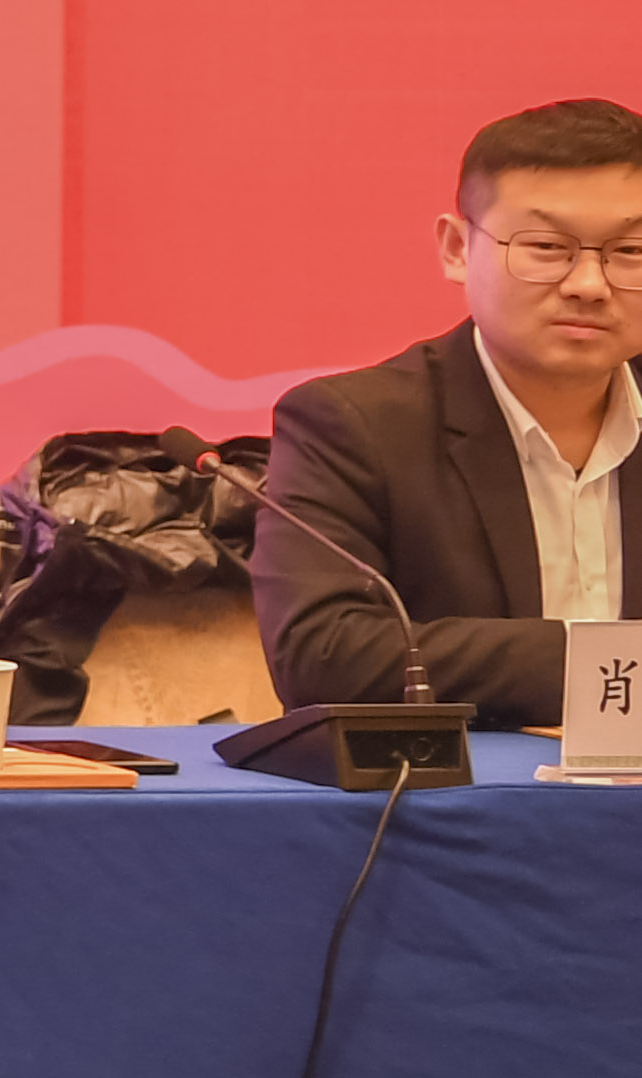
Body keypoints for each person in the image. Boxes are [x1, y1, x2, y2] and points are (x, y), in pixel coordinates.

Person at [253, 96, 642, 724]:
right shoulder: (353, 425)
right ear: (458, 248)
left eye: (631, 252)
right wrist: (608, 662)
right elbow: (321, 655)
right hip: (467, 783)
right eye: (547, 246)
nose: (589, 285)